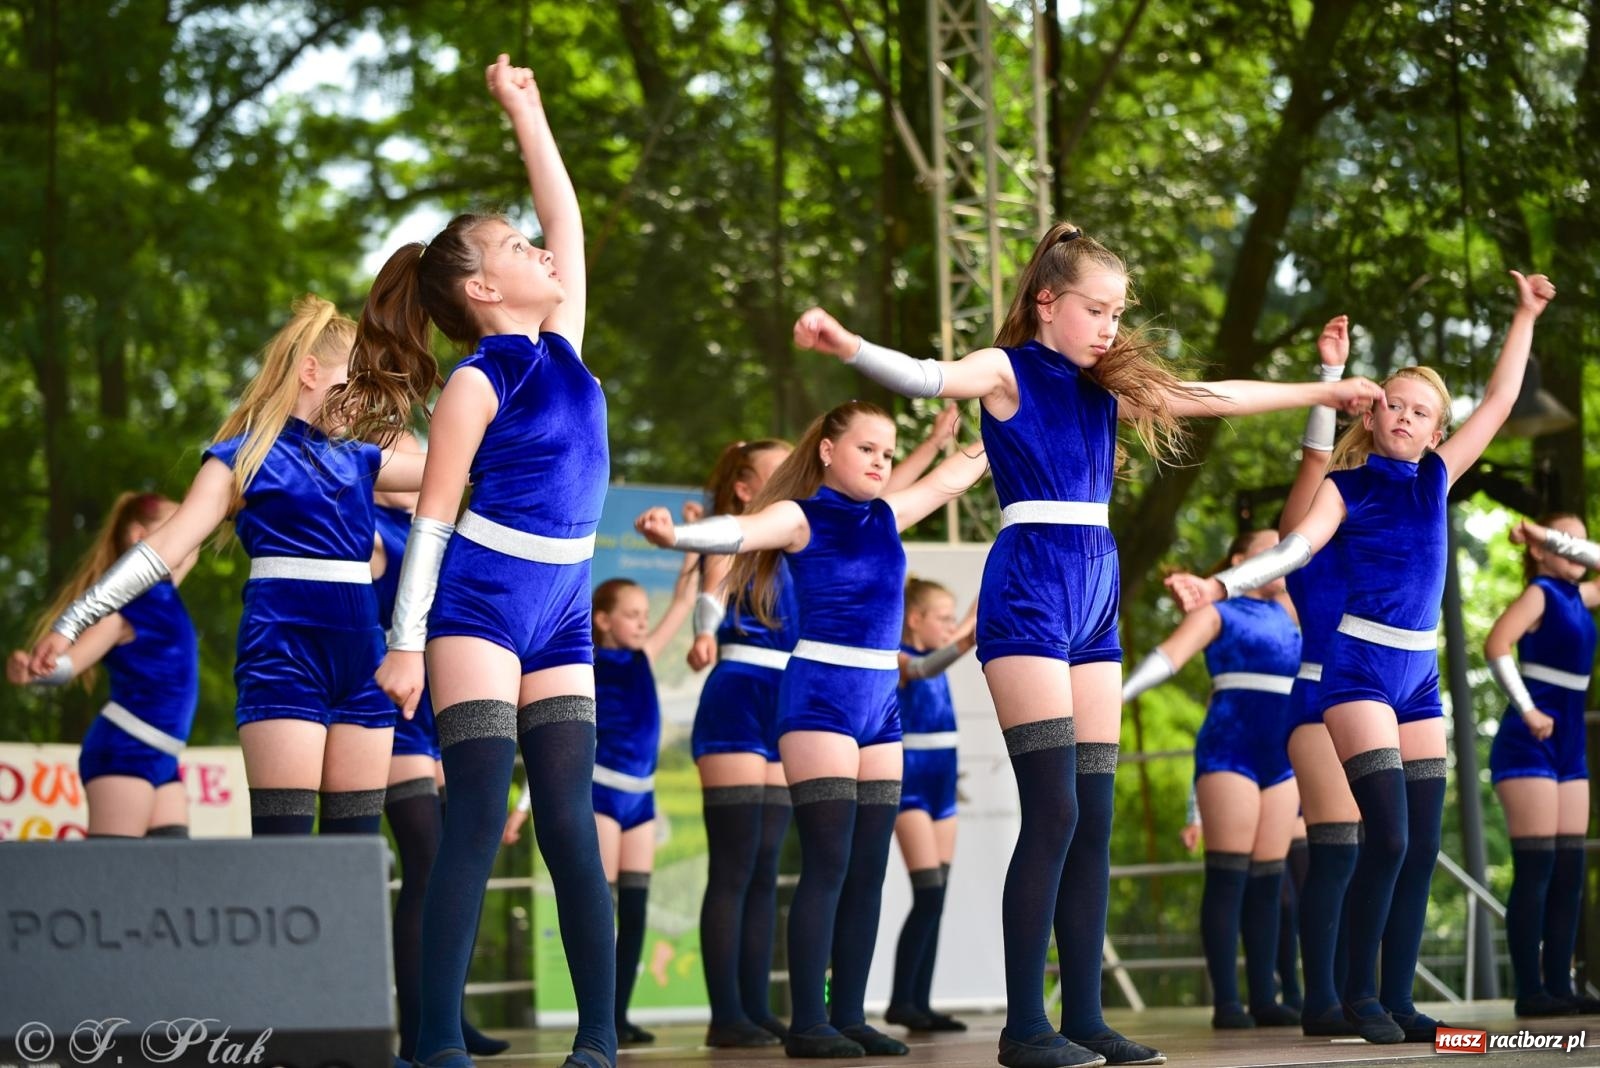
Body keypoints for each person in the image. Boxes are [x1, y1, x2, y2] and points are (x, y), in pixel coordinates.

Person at [795, 222, 1384, 1068]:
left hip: (1096, 599)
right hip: (1029, 592)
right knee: (1058, 808)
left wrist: (1320, 392)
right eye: (1095, 309)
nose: (1109, 326)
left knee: (1095, 818)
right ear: (1047, 302)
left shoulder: (1110, 388)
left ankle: (1086, 1016)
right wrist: (847, 345)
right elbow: (928, 377)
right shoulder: (1007, 373)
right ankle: (1023, 1025)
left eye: (1116, 312)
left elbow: (1211, 396)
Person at [1167, 270, 1557, 1043]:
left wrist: (1524, 316)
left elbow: (1503, 400)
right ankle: (1355, 996)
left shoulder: (1438, 478)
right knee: (1387, 836)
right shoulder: (1349, 488)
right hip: (1356, 674)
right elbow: (1295, 546)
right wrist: (1221, 583)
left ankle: (1401, 1001)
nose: (1406, 418)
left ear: (1437, 429)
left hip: (1420, 678)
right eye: (1394, 406)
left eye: (1422, 412)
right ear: (1373, 416)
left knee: (1417, 850)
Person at [360, 54, 615, 1068]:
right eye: (516, 246)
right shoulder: (476, 379)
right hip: (481, 602)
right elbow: (428, 521)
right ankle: (434, 1044)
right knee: (473, 818)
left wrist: (528, 112)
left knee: (566, 817)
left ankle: (597, 1039)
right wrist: (408, 643)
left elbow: (571, 223)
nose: (540, 248)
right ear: (479, 287)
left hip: (562, 604)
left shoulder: (567, 346)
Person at [636, 400, 989, 1059]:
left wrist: (1022, 414)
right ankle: (808, 1022)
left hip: (880, 703)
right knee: (827, 862)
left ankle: (850, 1014)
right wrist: (674, 538)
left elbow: (952, 477)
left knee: (868, 866)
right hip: (819, 697)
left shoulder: (889, 515)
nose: (881, 462)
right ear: (828, 451)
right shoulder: (800, 516)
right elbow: (737, 535)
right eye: (868, 449)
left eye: (888, 453)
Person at [28, 296, 426, 842]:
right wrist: (72, 622)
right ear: (311, 372)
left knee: (353, 860)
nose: (365, 397)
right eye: (356, 379)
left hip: (363, 666)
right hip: (285, 659)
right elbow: (163, 548)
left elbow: (460, 464)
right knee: (285, 853)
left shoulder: (364, 459)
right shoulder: (241, 458)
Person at [1122, 530, 1302, 1029]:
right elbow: (1169, 657)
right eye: (1270, 550)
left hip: (1284, 754)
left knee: (1270, 881)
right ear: (1241, 561)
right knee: (1228, 876)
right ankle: (1227, 1000)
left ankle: (1266, 996)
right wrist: (1115, 696)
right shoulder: (1218, 610)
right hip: (1231, 748)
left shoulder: (1294, 612)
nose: (1281, 558)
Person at [9, 492, 198, 838]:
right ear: (140, 537)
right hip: (123, 750)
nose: (190, 534)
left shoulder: (167, 595)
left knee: (170, 875)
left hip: (165, 757)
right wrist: (36, 672)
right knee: (114, 876)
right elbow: (70, 664)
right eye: (178, 526)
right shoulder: (124, 606)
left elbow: (191, 546)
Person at [1487, 514, 1599, 1017]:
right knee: (1537, 867)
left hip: (1571, 745)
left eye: (1580, 542)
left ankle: (1561, 984)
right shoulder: (1542, 594)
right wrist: (1527, 707)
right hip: (1530, 741)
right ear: (1538, 552)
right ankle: (1531, 991)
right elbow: (1496, 644)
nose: (1574, 550)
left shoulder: (1581, 596)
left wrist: (1553, 537)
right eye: (1564, 541)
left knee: (1570, 869)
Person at [588, 556, 698, 1045]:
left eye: (642, 615)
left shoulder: (644, 656)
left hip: (641, 798)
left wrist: (692, 550)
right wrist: (526, 806)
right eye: (631, 614)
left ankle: (619, 1014)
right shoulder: (586, 663)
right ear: (602, 620)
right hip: (602, 790)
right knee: (601, 906)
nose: (642, 622)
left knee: (634, 909)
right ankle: (596, 1016)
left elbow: (683, 602)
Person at [885, 579, 977, 1032]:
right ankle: (902, 999)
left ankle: (919, 1001)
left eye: (954, 617)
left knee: (937, 896)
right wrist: (967, 635)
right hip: (912, 784)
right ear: (915, 618)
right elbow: (923, 669)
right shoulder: (900, 656)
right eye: (943, 617)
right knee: (927, 892)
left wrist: (970, 626)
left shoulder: (939, 652)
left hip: (943, 783)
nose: (951, 625)